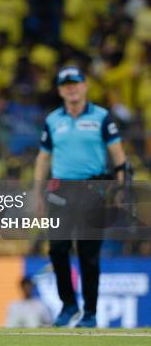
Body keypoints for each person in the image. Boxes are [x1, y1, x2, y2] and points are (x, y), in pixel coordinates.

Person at [34, 66, 126, 328]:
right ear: (60, 90)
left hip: (93, 190)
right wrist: (37, 192)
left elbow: (119, 158)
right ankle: (69, 305)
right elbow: (43, 157)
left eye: (75, 83)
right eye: (66, 85)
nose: (71, 88)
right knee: (58, 249)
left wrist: (121, 189)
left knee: (88, 254)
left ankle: (90, 312)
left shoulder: (101, 117)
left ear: (85, 86)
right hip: (60, 191)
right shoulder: (53, 120)